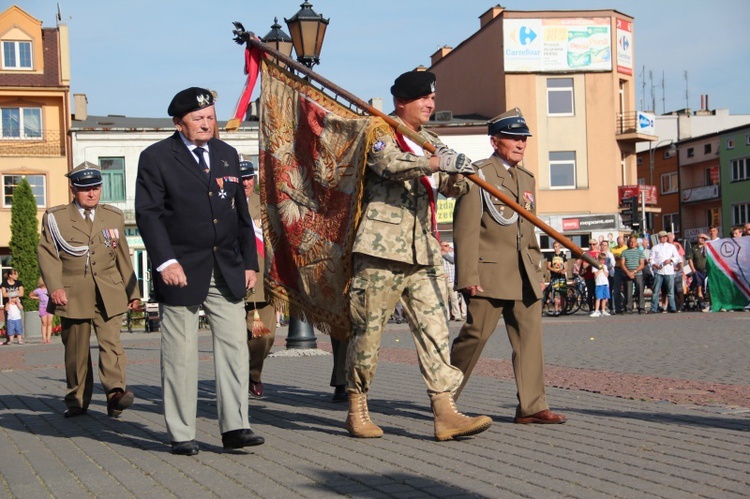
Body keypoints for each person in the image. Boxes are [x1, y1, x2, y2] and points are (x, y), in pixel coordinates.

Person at [345, 70, 491, 441]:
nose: (430, 104)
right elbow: (388, 165)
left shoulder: (430, 140)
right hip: (380, 251)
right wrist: (435, 163)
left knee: (436, 332)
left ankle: (445, 412)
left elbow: (448, 186)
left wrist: (458, 173)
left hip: (423, 251)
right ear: (401, 102)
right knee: (368, 333)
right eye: (423, 99)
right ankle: (357, 406)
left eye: (432, 99)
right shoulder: (381, 131)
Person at [136, 87, 263, 455]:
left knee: (235, 349)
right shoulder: (157, 157)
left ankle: (236, 426)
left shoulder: (226, 154)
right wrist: (164, 261)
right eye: (198, 118)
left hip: (226, 267)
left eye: (210, 117)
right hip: (181, 268)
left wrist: (249, 263)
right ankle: (181, 432)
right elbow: (149, 214)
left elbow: (241, 214)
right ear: (179, 123)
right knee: (181, 354)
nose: (206, 124)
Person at [451, 107, 566, 425]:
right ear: (494, 141)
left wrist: (539, 271)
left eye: (523, 139)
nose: (520, 144)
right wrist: (467, 276)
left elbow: (527, 232)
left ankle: (532, 406)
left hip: (524, 274)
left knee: (530, 341)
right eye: (513, 138)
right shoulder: (480, 174)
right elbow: (466, 229)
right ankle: (444, 396)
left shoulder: (526, 179)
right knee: (474, 337)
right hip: (488, 274)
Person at [38, 163, 141, 418]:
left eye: (95, 188)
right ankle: (77, 399)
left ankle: (115, 394)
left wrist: (133, 291)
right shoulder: (56, 217)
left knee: (112, 344)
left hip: (109, 291)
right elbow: (48, 255)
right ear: (73, 189)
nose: (92, 193)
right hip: (72, 292)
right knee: (76, 351)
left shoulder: (113, 215)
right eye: (85, 189)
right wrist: (55, 288)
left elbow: (122, 257)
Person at [240, 160, 277, 399]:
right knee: (239, 337)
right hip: (234, 280)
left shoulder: (263, 205)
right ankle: (240, 376)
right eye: (241, 178)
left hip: (264, 280)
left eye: (249, 177)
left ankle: (253, 374)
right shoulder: (224, 205)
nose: (246, 182)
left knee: (264, 336)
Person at [648, 230, 681, 313]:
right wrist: (655, 265)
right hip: (659, 271)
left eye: (665, 237)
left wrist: (670, 260)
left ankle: (672, 307)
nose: (664, 238)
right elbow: (651, 259)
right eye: (662, 237)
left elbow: (677, 257)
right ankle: (654, 308)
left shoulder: (671, 247)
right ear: (659, 238)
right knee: (656, 291)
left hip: (669, 271)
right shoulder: (655, 247)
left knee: (670, 291)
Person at [619, 235, 646, 314]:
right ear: (628, 242)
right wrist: (628, 272)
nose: (632, 243)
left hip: (638, 273)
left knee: (640, 290)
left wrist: (634, 272)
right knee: (628, 291)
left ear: (636, 243)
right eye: (630, 242)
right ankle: (628, 308)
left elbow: (642, 264)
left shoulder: (640, 252)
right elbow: (622, 264)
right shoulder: (624, 252)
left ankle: (641, 308)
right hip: (627, 273)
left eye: (634, 242)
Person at [441, 241, 466, 321]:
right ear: (440, 246)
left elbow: (453, 260)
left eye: (448, 245)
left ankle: (457, 315)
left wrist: (445, 254)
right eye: (445, 245)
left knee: (454, 299)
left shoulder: (451, 254)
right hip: (442, 280)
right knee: (444, 300)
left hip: (452, 280)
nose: (447, 246)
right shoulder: (437, 256)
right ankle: (446, 316)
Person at [687, 233, 710, 312]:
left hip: (706, 271)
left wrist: (706, 238)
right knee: (699, 287)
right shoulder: (694, 249)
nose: (702, 239)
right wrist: (693, 270)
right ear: (697, 239)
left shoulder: (707, 247)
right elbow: (690, 260)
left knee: (708, 287)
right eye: (701, 238)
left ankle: (709, 303)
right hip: (697, 271)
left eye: (704, 238)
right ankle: (702, 303)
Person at [545, 242, 568, 317]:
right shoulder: (551, 255)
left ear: (559, 247)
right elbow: (548, 266)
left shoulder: (563, 255)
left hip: (562, 276)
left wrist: (564, 271)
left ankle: (563, 309)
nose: (555, 248)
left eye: (557, 246)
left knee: (563, 293)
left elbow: (566, 266)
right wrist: (553, 270)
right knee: (555, 293)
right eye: (554, 247)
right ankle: (556, 309)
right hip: (554, 276)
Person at [29, 278, 53, 343]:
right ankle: (44, 338)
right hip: (42, 307)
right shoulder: (38, 290)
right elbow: (31, 295)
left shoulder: (49, 289)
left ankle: (48, 338)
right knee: (44, 323)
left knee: (49, 322)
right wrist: (38, 298)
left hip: (50, 307)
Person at [590, 253, 610, 317]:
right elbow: (595, 275)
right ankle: (596, 310)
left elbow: (607, 275)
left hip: (605, 283)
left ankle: (603, 310)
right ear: (598, 260)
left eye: (603, 260)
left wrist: (603, 269)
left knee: (604, 298)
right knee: (598, 298)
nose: (602, 261)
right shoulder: (595, 266)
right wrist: (599, 269)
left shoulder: (605, 266)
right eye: (600, 260)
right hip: (599, 284)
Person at [610, 235, 627, 313]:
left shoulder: (626, 248)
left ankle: (627, 307)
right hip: (617, 269)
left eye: (621, 243)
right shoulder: (613, 249)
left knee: (627, 289)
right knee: (616, 289)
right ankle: (617, 308)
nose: (620, 244)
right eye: (618, 243)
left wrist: (622, 258)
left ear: (624, 241)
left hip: (626, 269)